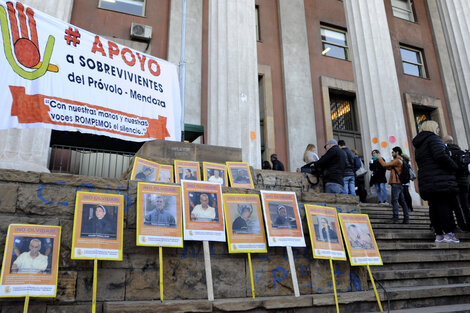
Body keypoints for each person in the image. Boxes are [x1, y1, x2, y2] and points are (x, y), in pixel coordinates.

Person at [413, 120, 459, 243]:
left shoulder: (419, 145)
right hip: (439, 179)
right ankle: (448, 234)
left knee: (433, 207)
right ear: (433, 128)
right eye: (437, 128)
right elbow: (441, 156)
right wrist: (454, 166)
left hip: (427, 181)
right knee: (444, 206)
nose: (439, 130)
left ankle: (439, 235)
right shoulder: (434, 139)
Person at [377, 147, 410, 224]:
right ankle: (406, 218)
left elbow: (384, 164)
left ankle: (395, 217)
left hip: (396, 183)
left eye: (393, 152)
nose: (392, 154)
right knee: (402, 202)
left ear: (397, 152)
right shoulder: (399, 161)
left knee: (394, 200)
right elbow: (388, 167)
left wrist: (379, 158)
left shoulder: (397, 160)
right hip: (399, 183)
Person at [444, 135, 469, 231]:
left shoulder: (447, 154)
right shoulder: (462, 152)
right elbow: (467, 169)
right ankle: (468, 224)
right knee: (465, 204)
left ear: (445, 142)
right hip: (464, 181)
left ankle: (462, 224)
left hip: (453, 182)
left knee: (457, 205)